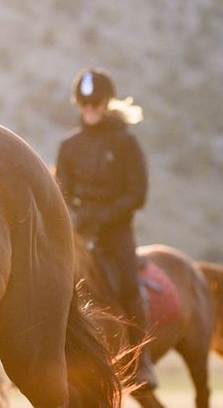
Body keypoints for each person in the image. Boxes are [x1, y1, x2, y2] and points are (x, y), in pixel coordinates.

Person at [53, 67, 156, 388]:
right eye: (84, 104)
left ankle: (143, 363)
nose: (89, 110)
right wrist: (76, 218)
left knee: (128, 287)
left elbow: (136, 194)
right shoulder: (69, 145)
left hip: (115, 231)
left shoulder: (125, 143)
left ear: (106, 103)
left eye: (95, 103)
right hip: (81, 232)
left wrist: (103, 217)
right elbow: (62, 189)